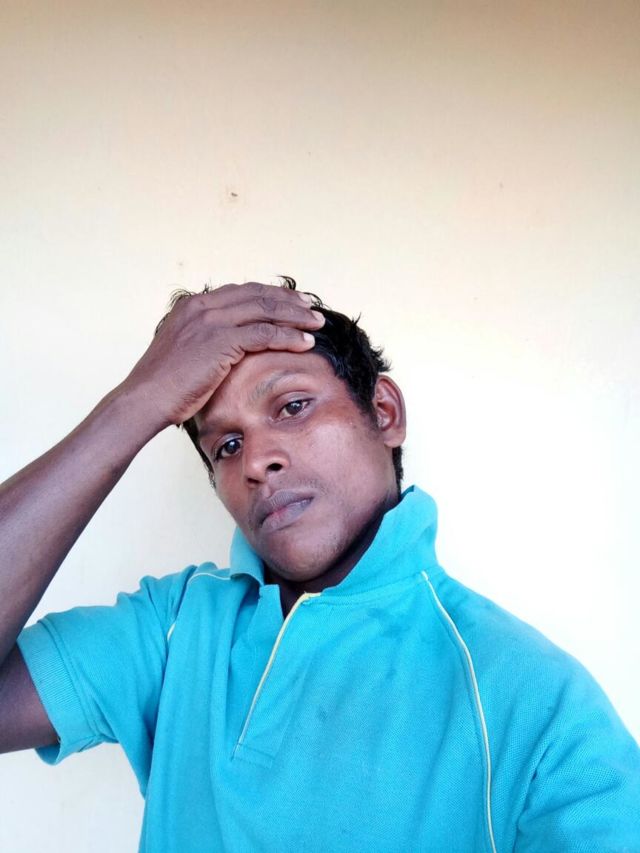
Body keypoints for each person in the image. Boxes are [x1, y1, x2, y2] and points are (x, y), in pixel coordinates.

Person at [0, 279, 638, 852]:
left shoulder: (535, 699)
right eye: (227, 445)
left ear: (383, 413)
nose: (257, 462)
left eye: (292, 407)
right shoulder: (175, 627)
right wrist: (135, 404)